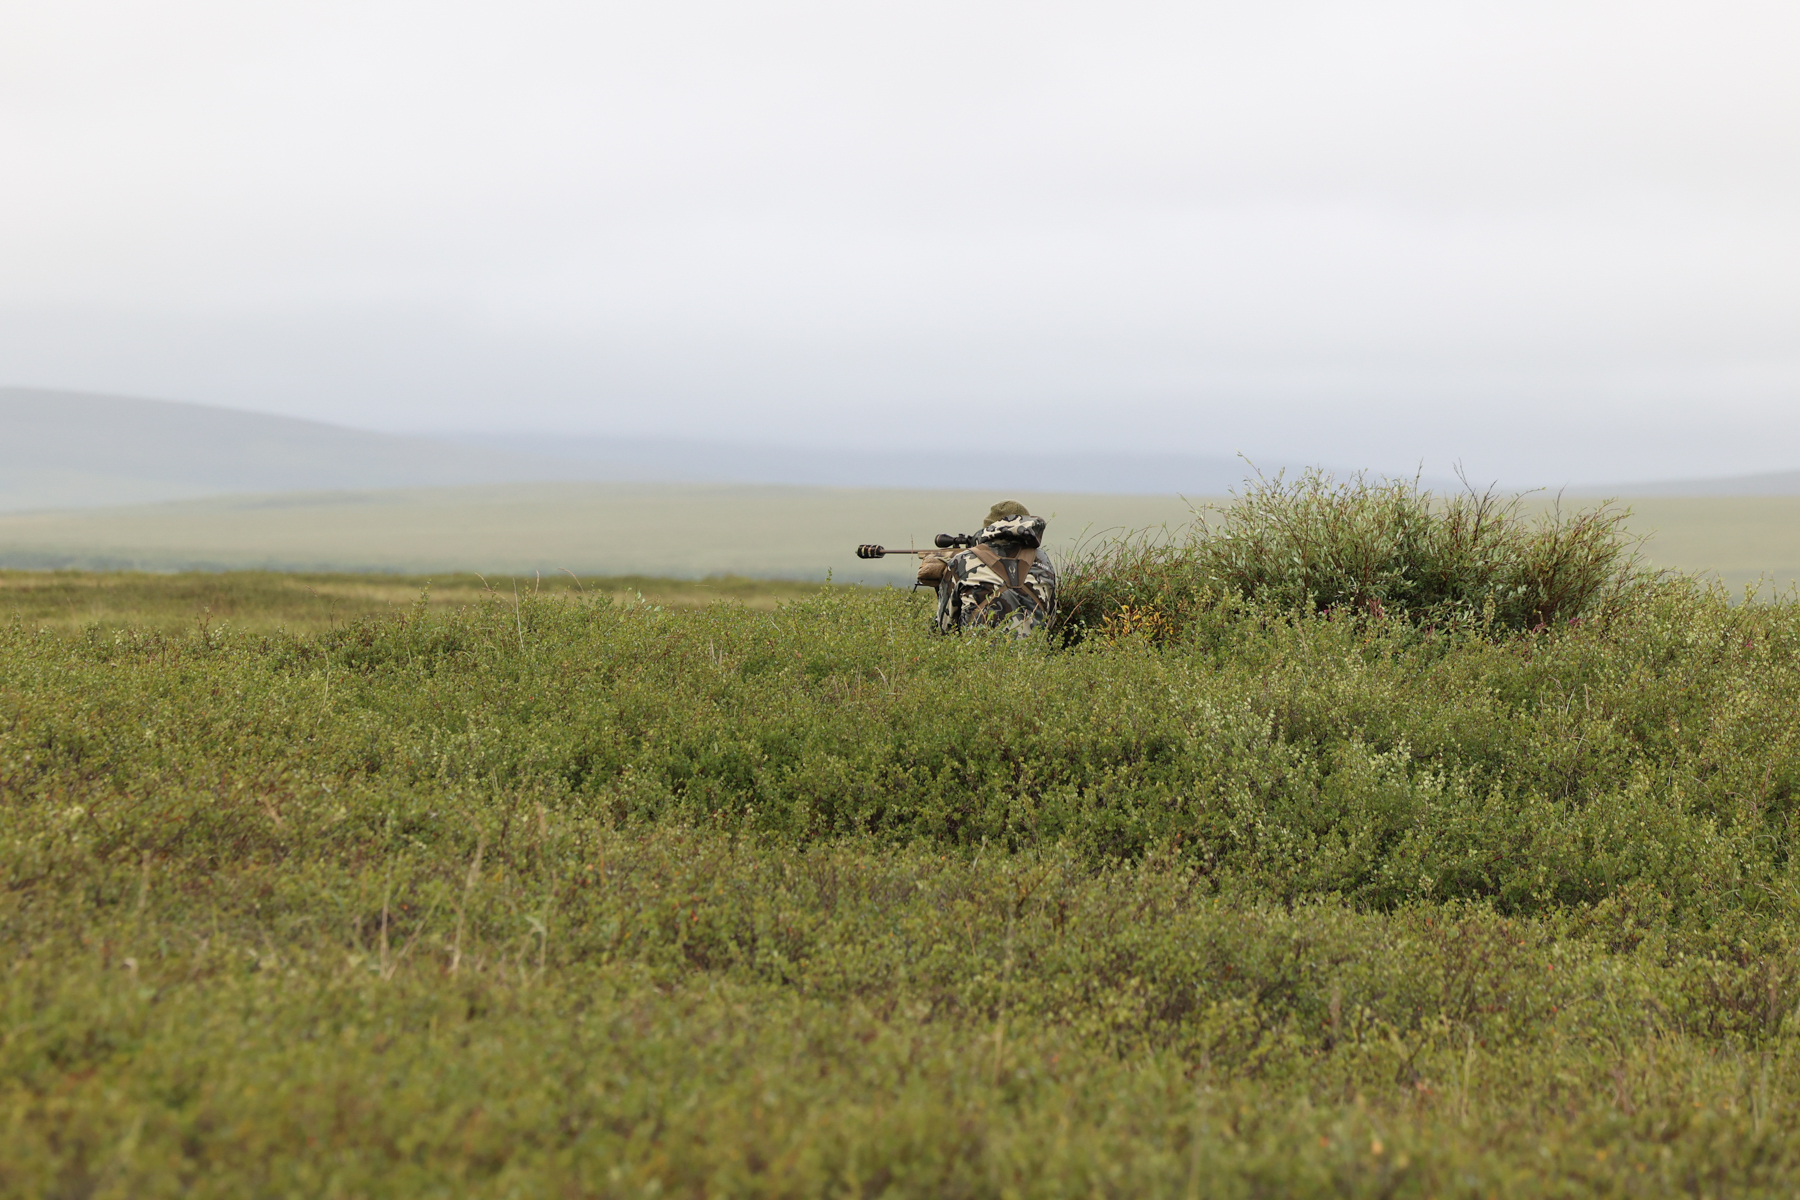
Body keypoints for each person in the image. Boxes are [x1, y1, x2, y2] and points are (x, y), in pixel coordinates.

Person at [916, 500, 1058, 635]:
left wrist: (945, 576)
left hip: (978, 652)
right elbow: (1051, 621)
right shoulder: (1043, 560)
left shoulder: (963, 561)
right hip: (1034, 651)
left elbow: (944, 627)